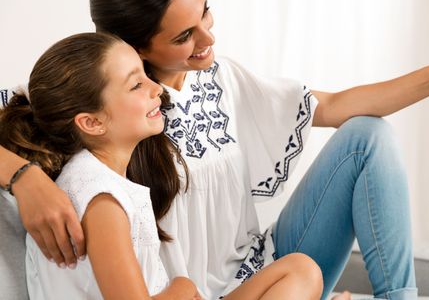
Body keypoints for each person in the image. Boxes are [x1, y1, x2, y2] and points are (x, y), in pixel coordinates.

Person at [0, 0, 429, 299]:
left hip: (261, 276)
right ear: (134, 45)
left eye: (206, 14)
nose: (208, 38)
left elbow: (336, 104)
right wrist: (24, 178)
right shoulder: (108, 103)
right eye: (183, 36)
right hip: (186, 294)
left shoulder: (222, 78)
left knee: (368, 136)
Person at [0, 32, 323, 300]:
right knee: (300, 274)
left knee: (300, 269)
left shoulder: (99, 181)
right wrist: (183, 288)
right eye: (136, 85)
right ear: (92, 122)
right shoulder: (101, 200)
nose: (156, 88)